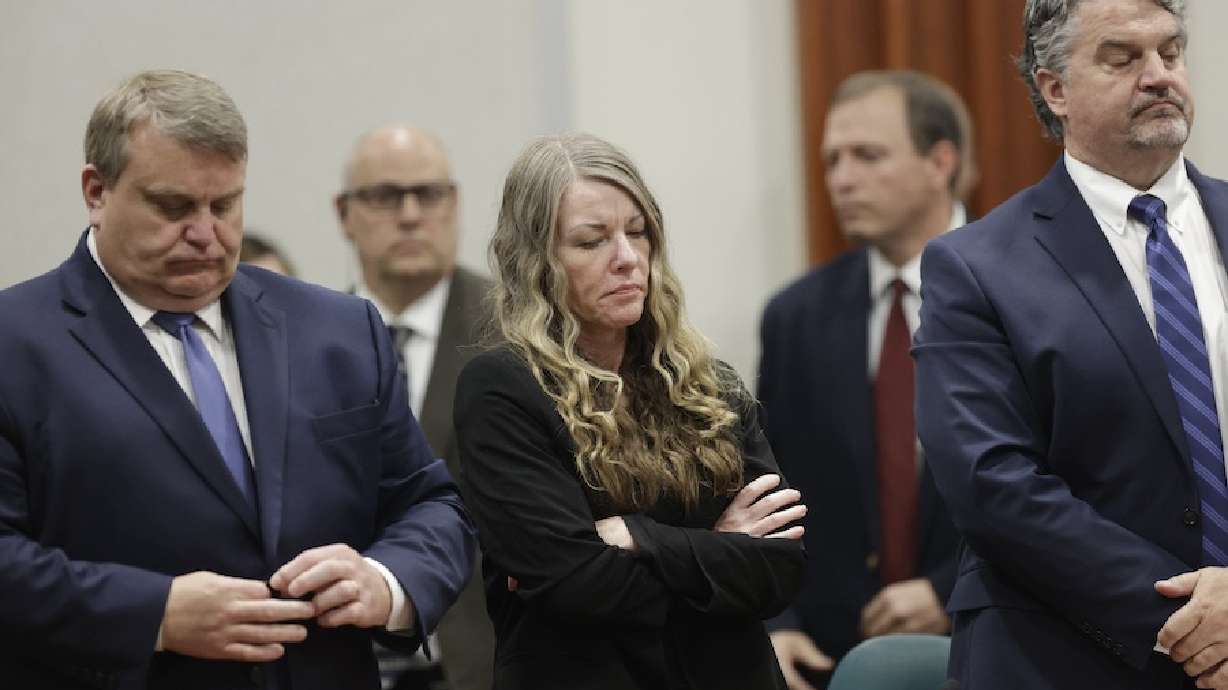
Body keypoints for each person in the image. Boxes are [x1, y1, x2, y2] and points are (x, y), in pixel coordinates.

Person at [0, 69, 475, 689]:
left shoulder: (336, 329)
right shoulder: (16, 342)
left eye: (224, 205)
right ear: (97, 191)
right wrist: (155, 614)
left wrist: (384, 581)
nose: (206, 233)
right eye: (173, 208)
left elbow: (432, 506)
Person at [914, 0, 1228, 687]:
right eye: (1123, 58)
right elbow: (990, 484)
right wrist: (1193, 617)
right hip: (1065, 656)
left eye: (1170, 54)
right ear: (1053, 87)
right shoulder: (975, 267)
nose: (1158, 76)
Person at [453, 132, 807, 690]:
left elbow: (781, 568)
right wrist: (720, 549)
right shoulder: (503, 389)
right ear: (536, 263)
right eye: (592, 241)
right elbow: (577, 587)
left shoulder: (705, 381)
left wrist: (637, 537)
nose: (626, 259)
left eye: (637, 233)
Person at [759, 70, 972, 690]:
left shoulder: (1029, 290)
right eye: (832, 160)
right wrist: (778, 620)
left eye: (867, 156)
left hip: (996, 641)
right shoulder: (796, 315)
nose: (841, 179)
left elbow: (1069, 475)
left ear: (940, 161)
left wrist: (951, 591)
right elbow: (767, 481)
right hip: (831, 658)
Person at [336, 124, 495, 690]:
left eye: (428, 195)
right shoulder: (302, 342)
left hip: (486, 662)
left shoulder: (520, 333)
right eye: (384, 196)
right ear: (344, 213)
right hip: (343, 659)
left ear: (453, 204)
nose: (409, 215)